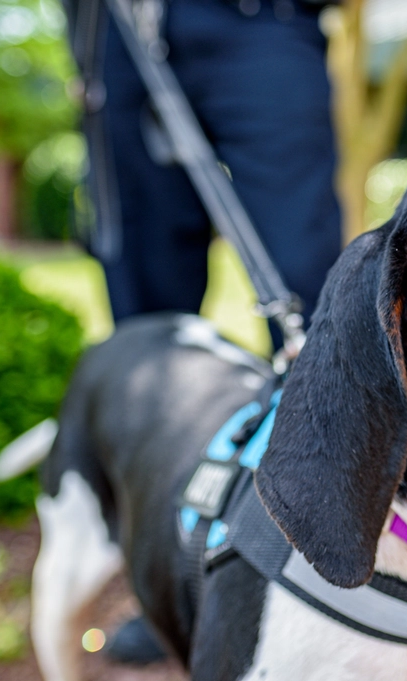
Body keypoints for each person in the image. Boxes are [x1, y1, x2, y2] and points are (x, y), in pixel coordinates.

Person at [61, 0, 342, 662]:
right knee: (147, 326)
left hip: (263, 19)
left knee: (310, 289)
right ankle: (163, 573)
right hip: (117, 27)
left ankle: (337, 540)